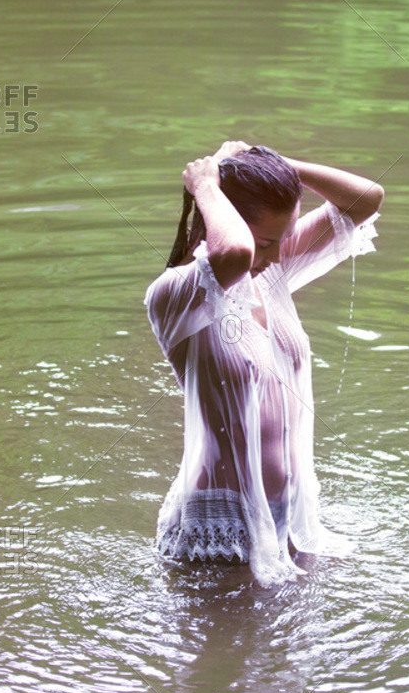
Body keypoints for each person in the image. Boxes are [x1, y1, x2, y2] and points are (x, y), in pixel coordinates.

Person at [144, 142, 384, 586]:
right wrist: (205, 185)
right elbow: (234, 253)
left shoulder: (270, 269)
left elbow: (366, 200)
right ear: (222, 216)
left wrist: (273, 166)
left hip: (289, 516)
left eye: (283, 239)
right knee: (220, 655)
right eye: (268, 242)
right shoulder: (176, 295)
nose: (276, 255)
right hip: (220, 533)